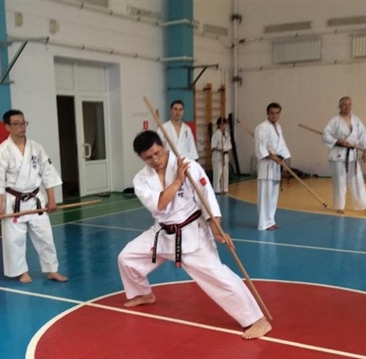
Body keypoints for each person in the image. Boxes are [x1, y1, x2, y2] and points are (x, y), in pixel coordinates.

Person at [117, 130, 272, 340]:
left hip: (191, 233)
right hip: (163, 232)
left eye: (157, 153)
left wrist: (216, 228)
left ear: (163, 146)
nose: (155, 160)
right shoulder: (141, 179)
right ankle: (142, 293)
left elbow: (207, 198)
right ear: (141, 158)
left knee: (218, 276)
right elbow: (160, 204)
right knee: (127, 258)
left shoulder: (188, 166)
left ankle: (257, 320)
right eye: (148, 158)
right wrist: (177, 181)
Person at [0, 109, 68, 283]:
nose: (21, 127)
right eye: (16, 124)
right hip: (13, 202)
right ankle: (21, 272)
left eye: (23, 123)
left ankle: (52, 270)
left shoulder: (36, 148)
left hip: (36, 200)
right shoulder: (1, 152)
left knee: (45, 237)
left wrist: (52, 199)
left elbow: (48, 174)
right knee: (14, 240)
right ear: (7, 127)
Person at [322, 96, 366, 215]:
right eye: (345, 105)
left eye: (349, 104)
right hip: (338, 155)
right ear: (340, 106)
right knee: (340, 180)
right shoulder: (334, 120)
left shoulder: (356, 120)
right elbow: (325, 136)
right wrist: (338, 141)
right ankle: (339, 206)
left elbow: (363, 134)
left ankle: (365, 205)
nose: (347, 107)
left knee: (358, 180)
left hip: (352, 154)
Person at [254, 102, 291, 231]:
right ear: (267, 113)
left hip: (276, 166)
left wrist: (283, 159)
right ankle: (263, 223)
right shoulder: (262, 127)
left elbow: (282, 146)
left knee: (273, 196)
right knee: (265, 196)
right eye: (272, 113)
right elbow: (261, 148)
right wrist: (273, 157)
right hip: (266, 166)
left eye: (277, 113)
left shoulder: (278, 127)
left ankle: (270, 221)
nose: (274, 115)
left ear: (280, 114)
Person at [211, 117, 232, 194]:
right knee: (218, 173)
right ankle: (216, 189)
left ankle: (225, 188)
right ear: (219, 125)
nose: (225, 126)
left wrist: (230, 156)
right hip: (218, 156)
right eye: (224, 124)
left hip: (225, 156)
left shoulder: (227, 134)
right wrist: (220, 150)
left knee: (225, 174)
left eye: (226, 124)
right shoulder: (216, 134)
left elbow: (229, 146)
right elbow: (213, 147)